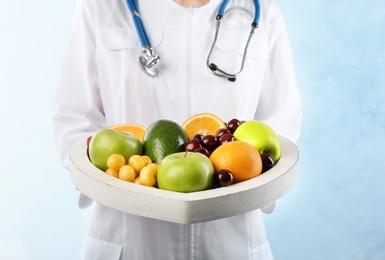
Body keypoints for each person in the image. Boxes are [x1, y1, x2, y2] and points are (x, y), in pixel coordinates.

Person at [53, 0, 302, 259]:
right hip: (129, 236)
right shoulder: (102, 6)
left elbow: (280, 123)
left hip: (230, 236)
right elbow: (74, 118)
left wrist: (242, 188)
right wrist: (119, 186)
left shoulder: (260, 13)